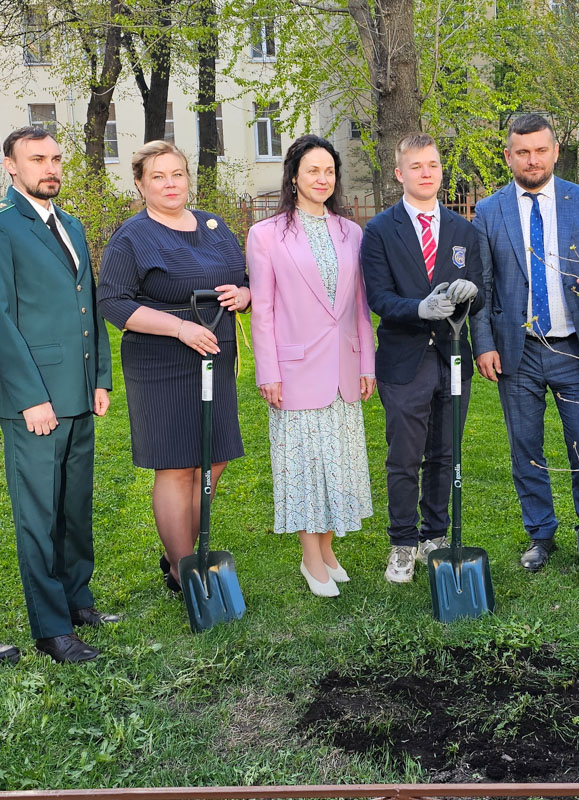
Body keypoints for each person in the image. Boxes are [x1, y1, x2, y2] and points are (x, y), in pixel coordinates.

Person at [471, 114, 579, 572]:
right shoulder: (489, 210)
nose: (532, 160)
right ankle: (540, 534)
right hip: (517, 351)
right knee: (526, 447)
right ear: (508, 157)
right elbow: (482, 285)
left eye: (540, 150)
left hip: (574, 347)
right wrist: (483, 344)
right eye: (523, 152)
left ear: (556, 151)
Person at [98, 140, 250, 595]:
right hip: (163, 360)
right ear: (141, 185)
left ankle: (175, 552)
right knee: (177, 465)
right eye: (158, 177)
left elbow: (244, 279)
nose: (170, 184)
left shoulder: (215, 226)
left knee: (214, 457)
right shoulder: (133, 236)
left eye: (177, 174)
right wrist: (178, 329)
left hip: (215, 353)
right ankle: (185, 570)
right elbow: (112, 301)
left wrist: (245, 296)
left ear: (188, 177)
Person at [0, 126, 118, 664]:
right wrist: (29, 396)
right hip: (36, 401)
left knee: (74, 506)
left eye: (55, 158)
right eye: (36, 159)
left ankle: (77, 600)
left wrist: (100, 378)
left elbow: (88, 307)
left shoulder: (69, 223)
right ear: (10, 167)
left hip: (78, 390)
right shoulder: (4, 228)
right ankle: (51, 628)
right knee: (39, 514)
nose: (50, 167)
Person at [247, 135, 376, 598]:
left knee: (337, 465)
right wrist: (269, 372)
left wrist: (367, 362)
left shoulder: (351, 232)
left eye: (329, 171)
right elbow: (262, 310)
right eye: (312, 170)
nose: (322, 179)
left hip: (344, 369)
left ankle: (327, 549)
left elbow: (359, 307)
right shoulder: (266, 235)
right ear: (294, 176)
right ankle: (309, 559)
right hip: (293, 370)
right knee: (304, 465)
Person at [361, 132, 483, 584]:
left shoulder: (463, 230)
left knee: (445, 453)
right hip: (403, 361)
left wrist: (471, 296)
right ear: (400, 174)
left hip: (452, 357)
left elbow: (480, 292)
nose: (426, 173)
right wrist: (418, 308)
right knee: (405, 456)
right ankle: (403, 543)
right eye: (416, 167)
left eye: (432, 165)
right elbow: (378, 297)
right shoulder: (379, 231)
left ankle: (435, 534)